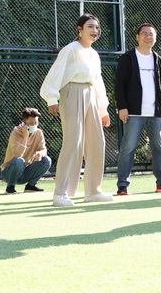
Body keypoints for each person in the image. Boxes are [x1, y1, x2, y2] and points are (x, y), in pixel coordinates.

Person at [40, 14, 113, 207]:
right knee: (74, 142)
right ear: (79, 29)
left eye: (97, 27)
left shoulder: (94, 54)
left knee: (97, 142)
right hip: (72, 92)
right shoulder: (71, 49)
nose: (95, 31)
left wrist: (103, 109)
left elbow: (98, 81)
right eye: (90, 27)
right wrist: (52, 98)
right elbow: (55, 73)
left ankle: (93, 191)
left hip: (91, 95)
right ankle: (60, 193)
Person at [115, 23, 161, 195]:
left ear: (155, 38)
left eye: (151, 34)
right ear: (137, 37)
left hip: (156, 114)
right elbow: (119, 85)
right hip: (134, 113)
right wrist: (122, 107)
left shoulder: (159, 60)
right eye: (144, 34)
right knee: (128, 148)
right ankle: (122, 185)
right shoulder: (128, 58)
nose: (148, 37)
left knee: (159, 148)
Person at [0, 108, 52, 194]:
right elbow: (17, 154)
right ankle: (10, 186)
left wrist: (40, 153)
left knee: (47, 160)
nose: (34, 125)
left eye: (36, 123)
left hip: (25, 172)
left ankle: (30, 186)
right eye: (31, 123)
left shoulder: (39, 133)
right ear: (23, 123)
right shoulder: (15, 133)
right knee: (19, 161)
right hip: (9, 173)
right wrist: (25, 136)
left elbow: (44, 149)